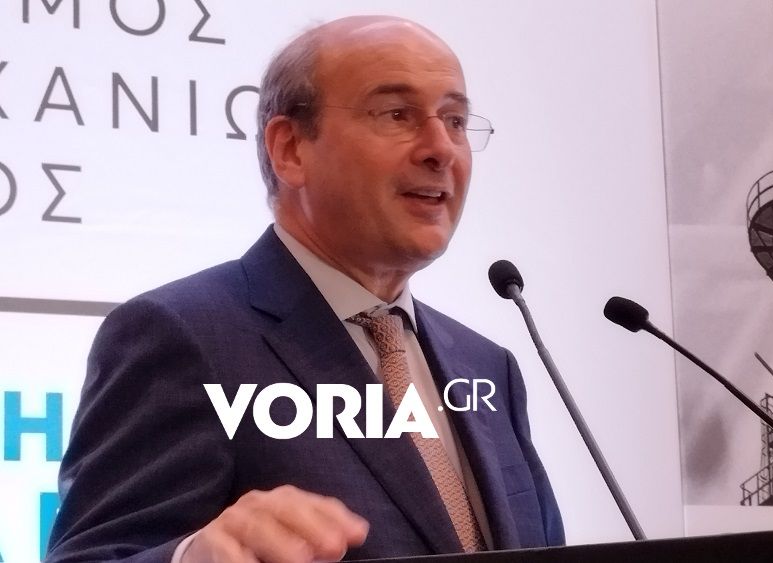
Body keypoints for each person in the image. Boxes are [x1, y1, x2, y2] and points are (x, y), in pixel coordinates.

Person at [46, 15, 564, 563]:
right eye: (396, 114)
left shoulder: (488, 367)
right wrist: (192, 556)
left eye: (455, 121)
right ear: (290, 148)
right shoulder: (183, 336)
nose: (442, 149)